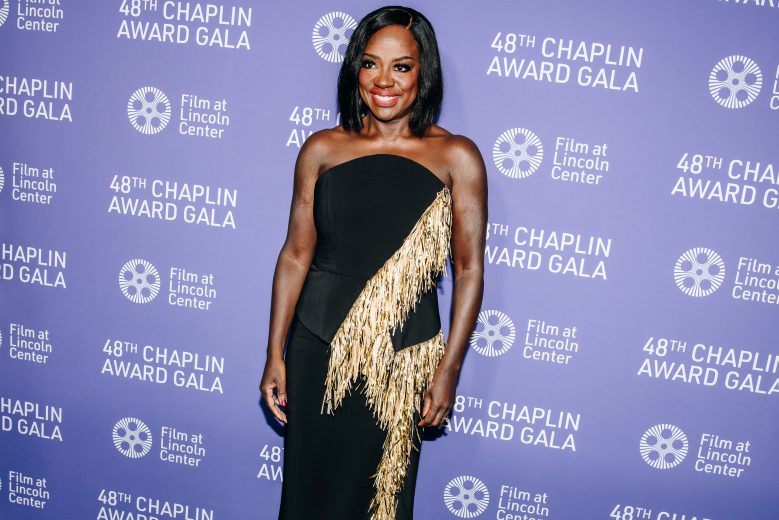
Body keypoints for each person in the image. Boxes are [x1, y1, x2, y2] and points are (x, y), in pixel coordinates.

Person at [260, 5, 487, 519]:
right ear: (354, 70)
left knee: (380, 502)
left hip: (400, 361)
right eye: (370, 63)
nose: (384, 80)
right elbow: (296, 255)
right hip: (315, 347)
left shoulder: (457, 157)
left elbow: (469, 269)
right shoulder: (322, 148)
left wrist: (448, 369)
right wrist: (276, 352)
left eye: (401, 66)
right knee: (307, 496)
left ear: (422, 72)